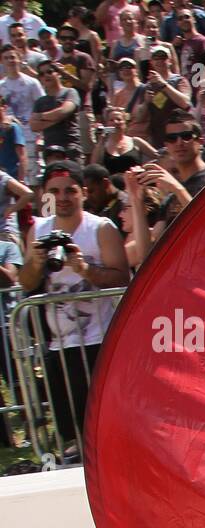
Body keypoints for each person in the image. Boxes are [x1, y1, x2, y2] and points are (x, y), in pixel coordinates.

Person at [18, 162, 129, 457]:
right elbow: (26, 282)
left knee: (104, 424)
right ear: (45, 195)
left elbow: (121, 277)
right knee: (70, 432)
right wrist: (37, 263)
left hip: (99, 342)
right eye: (55, 191)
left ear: (82, 192)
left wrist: (84, 269)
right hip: (58, 345)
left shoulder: (100, 228)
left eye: (70, 190)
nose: (63, 197)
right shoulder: (38, 230)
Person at [30, 60, 82, 160]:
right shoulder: (40, 101)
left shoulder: (70, 92)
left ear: (58, 73)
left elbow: (64, 111)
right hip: (50, 151)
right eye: (42, 74)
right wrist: (57, 118)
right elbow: (34, 126)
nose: (46, 75)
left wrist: (41, 116)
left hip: (70, 148)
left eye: (49, 72)